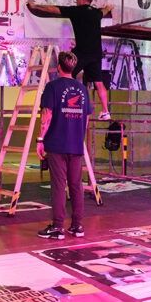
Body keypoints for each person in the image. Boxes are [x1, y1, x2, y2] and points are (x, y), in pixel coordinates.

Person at [27, 0, 112, 120]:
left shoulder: (76, 11)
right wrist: (109, 7)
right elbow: (105, 10)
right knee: (99, 82)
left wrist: (35, 6)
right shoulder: (96, 13)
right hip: (96, 53)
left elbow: (53, 9)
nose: (76, 0)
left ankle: (60, 104)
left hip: (82, 51)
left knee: (65, 74)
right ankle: (106, 111)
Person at [36, 51, 93, 240]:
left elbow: (47, 114)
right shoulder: (82, 89)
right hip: (76, 144)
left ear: (59, 67)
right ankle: (77, 226)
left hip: (57, 144)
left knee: (59, 185)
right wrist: (79, 136)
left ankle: (58, 227)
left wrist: (40, 139)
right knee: (76, 185)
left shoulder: (52, 87)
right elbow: (86, 117)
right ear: (72, 68)